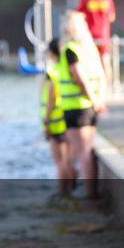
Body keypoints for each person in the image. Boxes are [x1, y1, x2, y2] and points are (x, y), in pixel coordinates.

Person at [58, 12, 107, 200]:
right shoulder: (89, 49)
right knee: (87, 150)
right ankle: (89, 191)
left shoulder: (71, 49)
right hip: (89, 106)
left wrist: (92, 99)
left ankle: (89, 195)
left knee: (83, 153)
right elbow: (101, 76)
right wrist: (98, 100)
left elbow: (80, 78)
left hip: (76, 107)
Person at [42, 39, 74, 196]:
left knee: (60, 161)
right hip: (66, 117)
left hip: (55, 122)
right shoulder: (66, 68)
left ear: (52, 53)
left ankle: (63, 193)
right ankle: (72, 189)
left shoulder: (53, 71)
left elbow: (51, 98)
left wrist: (46, 121)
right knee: (68, 159)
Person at [77, 0, 117, 96]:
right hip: (104, 37)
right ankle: (109, 89)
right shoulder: (108, 0)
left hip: (90, 37)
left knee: (90, 63)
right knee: (106, 63)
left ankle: (94, 90)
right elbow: (112, 17)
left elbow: (79, 16)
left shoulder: (87, 0)